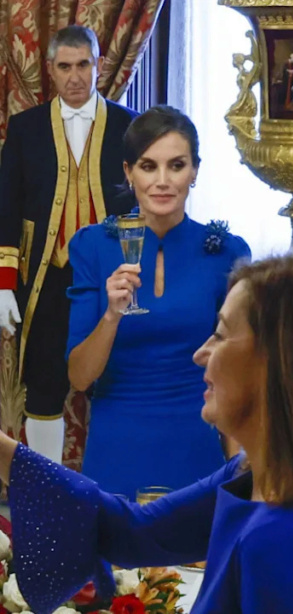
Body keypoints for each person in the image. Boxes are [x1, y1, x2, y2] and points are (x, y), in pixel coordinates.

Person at [0, 253, 293, 614]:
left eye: (219, 333)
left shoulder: (282, 540)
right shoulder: (270, 477)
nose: (200, 353)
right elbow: (133, 532)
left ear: (278, 362)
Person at [66, 105, 250, 498]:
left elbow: (239, 374)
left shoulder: (225, 253)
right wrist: (112, 316)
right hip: (118, 446)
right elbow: (80, 377)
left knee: (196, 560)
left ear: (195, 171)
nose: (163, 181)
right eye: (149, 167)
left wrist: (240, 478)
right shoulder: (93, 247)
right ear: (128, 172)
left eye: (177, 165)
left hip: (196, 448)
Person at [0, 25, 137, 463]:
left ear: (98, 65)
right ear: (51, 71)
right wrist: (4, 283)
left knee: (114, 381)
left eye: (84, 65)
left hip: (113, 279)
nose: (75, 76)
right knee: (43, 385)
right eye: (65, 67)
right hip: (46, 280)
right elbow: (6, 207)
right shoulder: (24, 129)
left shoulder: (130, 125)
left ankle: (110, 490)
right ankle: (50, 491)